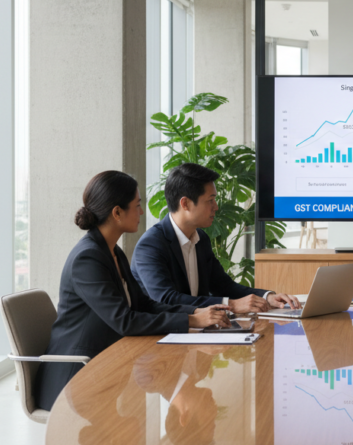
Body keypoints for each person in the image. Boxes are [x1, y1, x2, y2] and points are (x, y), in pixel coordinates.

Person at [33, 170, 231, 411]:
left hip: (108, 362)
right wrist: (190, 319)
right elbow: (124, 321)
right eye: (137, 206)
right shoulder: (88, 258)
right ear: (117, 212)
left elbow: (144, 304)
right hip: (77, 375)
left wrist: (199, 315)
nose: (141, 212)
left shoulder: (112, 252)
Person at [131, 163, 300, 314]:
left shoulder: (200, 238)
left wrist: (267, 297)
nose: (216, 207)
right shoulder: (151, 245)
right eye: (210, 200)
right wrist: (231, 305)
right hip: (159, 338)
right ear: (185, 204)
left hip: (196, 332)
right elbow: (166, 299)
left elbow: (223, 286)